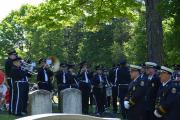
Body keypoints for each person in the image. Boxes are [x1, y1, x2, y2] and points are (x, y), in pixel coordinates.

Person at [4, 50, 17, 114]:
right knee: (11, 94)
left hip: (12, 79)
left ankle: (12, 108)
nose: (15, 56)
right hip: (10, 79)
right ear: (10, 55)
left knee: (13, 94)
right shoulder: (9, 61)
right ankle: (10, 109)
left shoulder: (12, 61)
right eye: (14, 55)